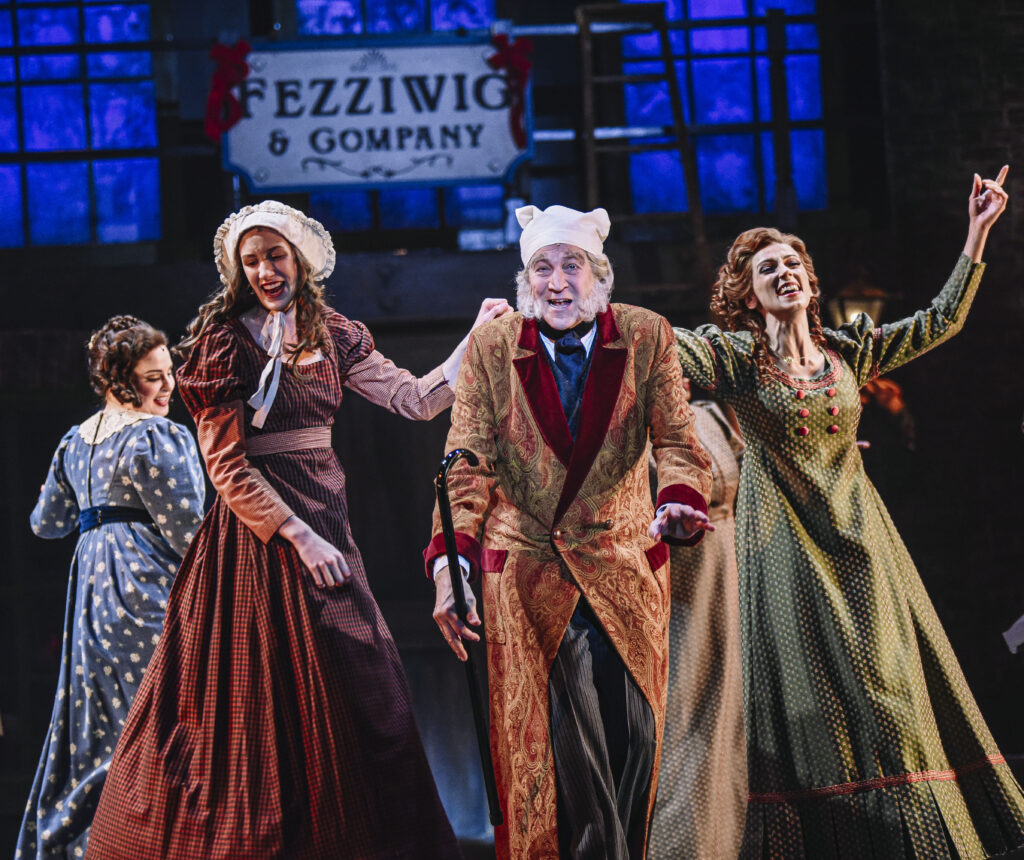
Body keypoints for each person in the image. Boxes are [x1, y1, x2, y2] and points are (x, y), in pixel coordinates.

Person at [85, 201, 510, 859]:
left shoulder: (334, 334)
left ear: (300, 259)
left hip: (325, 520)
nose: (264, 271)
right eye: (251, 261)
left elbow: (416, 399)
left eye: (274, 256)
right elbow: (226, 467)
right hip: (254, 541)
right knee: (253, 702)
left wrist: (476, 340)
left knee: (370, 694)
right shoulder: (225, 342)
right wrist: (299, 537)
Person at [672, 167, 1024, 857]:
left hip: (863, 540)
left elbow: (940, 321)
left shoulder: (848, 350)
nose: (785, 273)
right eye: (768, 268)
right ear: (747, 293)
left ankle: (917, 838)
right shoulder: (737, 358)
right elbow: (664, 348)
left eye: (793, 262)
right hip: (783, 549)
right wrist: (584, 297)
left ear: (811, 279)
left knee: (888, 685)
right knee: (814, 706)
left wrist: (977, 234)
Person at [427, 204, 713, 859]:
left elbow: (676, 441)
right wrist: (452, 565)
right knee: (568, 749)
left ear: (599, 274)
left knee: (637, 738)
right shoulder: (495, 348)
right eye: (541, 267)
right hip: (530, 576)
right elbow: (465, 458)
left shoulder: (646, 336)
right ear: (525, 280)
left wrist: (678, 502)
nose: (557, 281)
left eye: (571, 265)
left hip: (621, 565)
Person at [17, 315, 205, 859]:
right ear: (119, 382)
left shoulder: (74, 440)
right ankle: (161, 841)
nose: (169, 386)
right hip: (144, 582)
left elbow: (44, 523)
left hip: (92, 592)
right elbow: (190, 532)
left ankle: (107, 842)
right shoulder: (159, 436)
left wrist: (96, 513)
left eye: (169, 372)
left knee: (105, 719)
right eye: (154, 377)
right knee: (164, 711)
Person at [646, 378, 748, 860]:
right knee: (685, 729)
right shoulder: (633, 434)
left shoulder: (711, 415)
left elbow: (758, 477)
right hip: (680, 591)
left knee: (734, 726)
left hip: (734, 579)